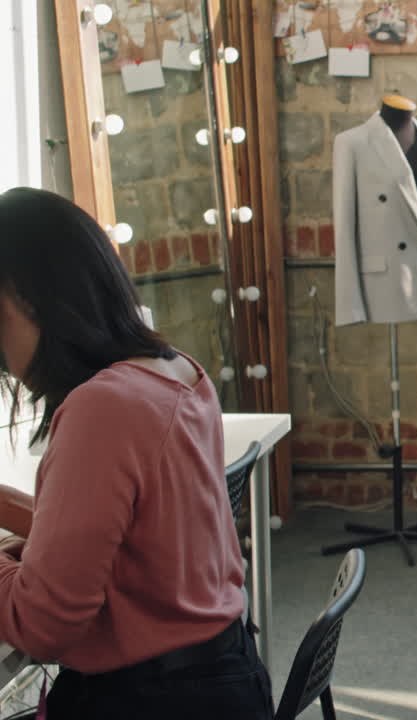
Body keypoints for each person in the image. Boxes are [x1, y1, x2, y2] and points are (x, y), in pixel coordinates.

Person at [0, 187, 272, 719]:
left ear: (27, 300)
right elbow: (126, 538)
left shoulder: (100, 410)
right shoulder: (175, 371)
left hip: (152, 700)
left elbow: (43, 625)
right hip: (221, 678)